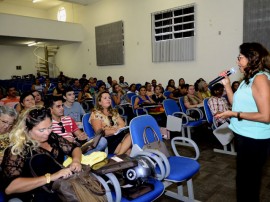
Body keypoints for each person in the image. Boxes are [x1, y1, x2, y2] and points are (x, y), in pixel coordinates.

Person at [215, 42, 270, 202]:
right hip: (244, 136)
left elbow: (266, 115)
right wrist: (226, 85)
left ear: (251, 59)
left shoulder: (260, 78)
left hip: (254, 139)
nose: (237, 61)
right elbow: (235, 102)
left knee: (249, 185)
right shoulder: (249, 79)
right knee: (244, 181)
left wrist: (233, 113)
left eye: (240, 58)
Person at [1, 106, 82, 201]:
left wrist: (76, 161)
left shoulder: (52, 137)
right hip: (35, 194)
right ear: (27, 129)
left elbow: (74, 148)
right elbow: (10, 188)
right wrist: (50, 177)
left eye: (50, 127)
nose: (47, 132)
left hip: (61, 188)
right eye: (41, 130)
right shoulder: (17, 149)